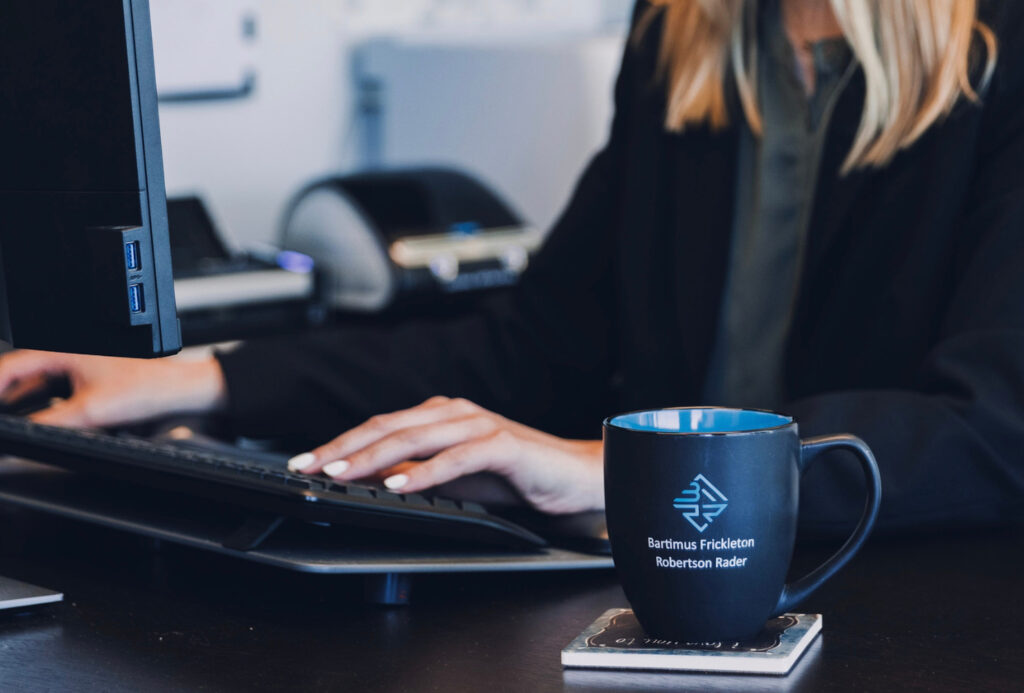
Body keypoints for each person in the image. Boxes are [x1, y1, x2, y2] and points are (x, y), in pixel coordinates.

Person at [2, 0, 1022, 530]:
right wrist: (202, 379)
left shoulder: (999, 48)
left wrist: (605, 469)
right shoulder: (690, 39)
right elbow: (536, 345)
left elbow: (993, 429)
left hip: (889, 602)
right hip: (663, 592)